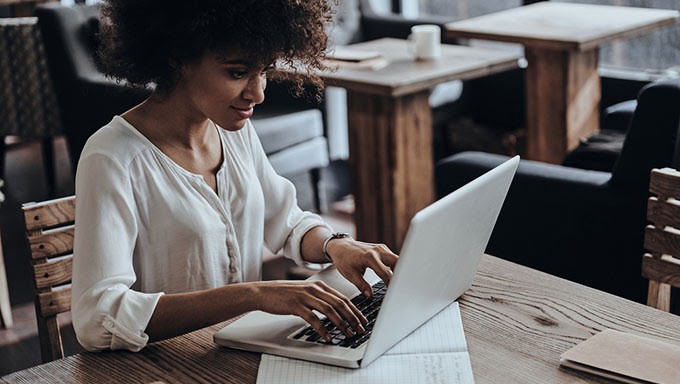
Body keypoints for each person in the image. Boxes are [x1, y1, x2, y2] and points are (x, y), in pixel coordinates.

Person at [71, 0, 399, 352]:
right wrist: (253, 295)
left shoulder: (233, 129)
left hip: (238, 351)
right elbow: (96, 318)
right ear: (177, 57)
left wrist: (337, 245)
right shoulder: (113, 157)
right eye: (237, 72)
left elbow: (285, 221)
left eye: (264, 71)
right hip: (166, 366)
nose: (257, 93)